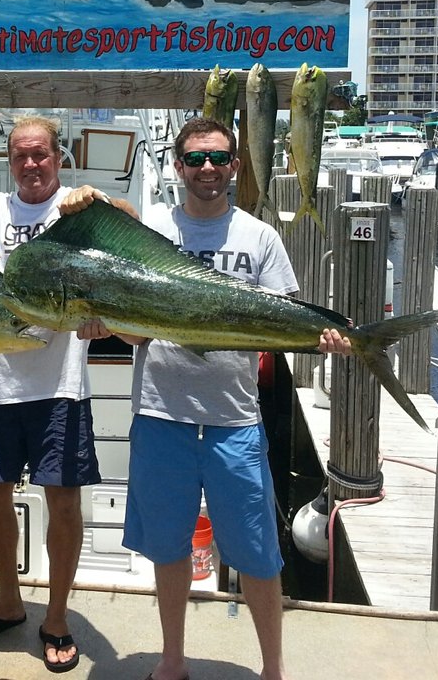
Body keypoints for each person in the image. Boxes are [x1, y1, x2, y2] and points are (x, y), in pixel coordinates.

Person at [80, 116, 349, 680]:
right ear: (177, 166)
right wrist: (102, 322)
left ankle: (273, 670)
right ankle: (172, 661)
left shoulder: (260, 236)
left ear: (236, 166)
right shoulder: (150, 231)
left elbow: (283, 322)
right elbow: (134, 333)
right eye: (196, 158)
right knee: (168, 548)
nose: (208, 169)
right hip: (161, 416)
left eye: (219, 159)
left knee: (256, 555)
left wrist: (320, 337)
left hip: (234, 421)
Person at [0, 115, 134, 674]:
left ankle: (56, 616)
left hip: (62, 387)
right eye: (20, 156)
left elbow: (135, 228)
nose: (31, 164)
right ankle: (9, 601)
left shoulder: (77, 208)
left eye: (40, 154)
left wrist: (103, 203)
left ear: (58, 157)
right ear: (8, 162)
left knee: (63, 501)